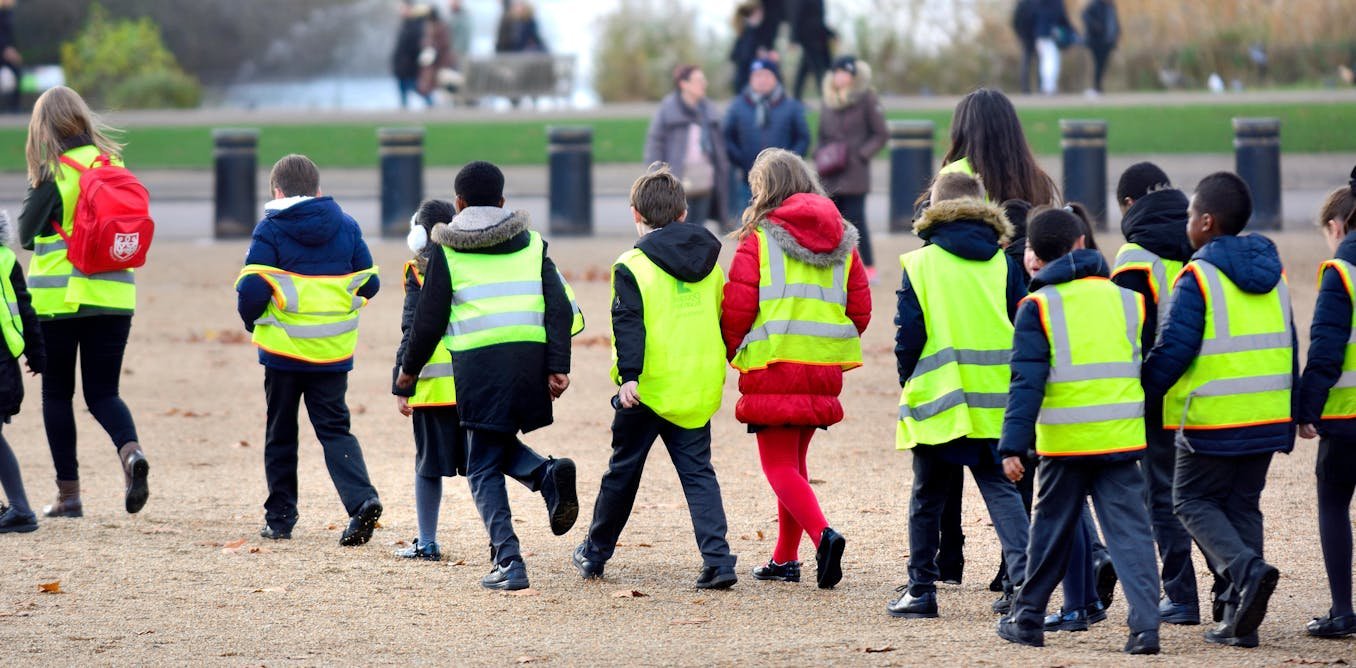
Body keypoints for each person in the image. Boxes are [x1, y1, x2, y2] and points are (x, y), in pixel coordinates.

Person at [397, 161, 578, 591]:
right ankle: (544, 475)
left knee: (480, 467)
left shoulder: (448, 250)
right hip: (529, 366)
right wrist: (558, 365)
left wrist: (407, 373)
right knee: (492, 445)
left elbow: (428, 322)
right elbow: (559, 307)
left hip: (479, 368)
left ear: (458, 204)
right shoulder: (533, 243)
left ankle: (509, 561)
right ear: (502, 202)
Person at [994, 206, 1161, 655]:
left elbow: (1025, 382)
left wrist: (1012, 444)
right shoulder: (1130, 300)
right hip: (1122, 439)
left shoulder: (1038, 306)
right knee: (1131, 535)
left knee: (1049, 533)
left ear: (1035, 255)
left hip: (1065, 444)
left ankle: (1027, 618)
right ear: (1081, 244)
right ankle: (1145, 628)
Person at [1141, 171, 1295, 648]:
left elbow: (1174, 350)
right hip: (1268, 412)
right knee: (1243, 505)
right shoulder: (1277, 273)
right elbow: (1290, 342)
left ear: (1206, 222)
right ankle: (1238, 619)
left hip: (1213, 417)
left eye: (1189, 214)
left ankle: (1247, 573)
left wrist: (1142, 394)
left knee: (1188, 500)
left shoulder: (1200, 275)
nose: (1186, 222)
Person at [573, 164, 736, 589]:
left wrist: (628, 376)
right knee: (699, 472)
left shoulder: (632, 264)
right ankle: (718, 560)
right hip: (696, 383)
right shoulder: (711, 264)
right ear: (683, 213)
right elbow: (722, 319)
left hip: (645, 389)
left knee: (622, 474)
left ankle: (594, 553)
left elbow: (628, 323)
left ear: (635, 214)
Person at [930, 87, 1060, 594]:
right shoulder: (1037, 179)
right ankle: (1015, 558)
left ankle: (949, 553)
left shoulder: (955, 176)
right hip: (1025, 315)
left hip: (964, 320)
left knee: (947, 446)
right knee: (1015, 446)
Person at [721, 148, 870, 589]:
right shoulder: (843, 241)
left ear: (765, 191)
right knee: (795, 464)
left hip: (774, 362)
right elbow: (859, 308)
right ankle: (785, 558)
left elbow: (737, 306)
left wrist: (736, 349)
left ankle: (824, 535)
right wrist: (828, 341)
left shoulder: (760, 239)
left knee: (778, 467)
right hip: (821, 365)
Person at [888, 172, 1031, 619]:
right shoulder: (1004, 263)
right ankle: (1025, 582)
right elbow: (1023, 323)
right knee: (1001, 491)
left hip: (939, 394)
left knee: (928, 496)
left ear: (934, 211)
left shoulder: (921, 263)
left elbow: (909, 334)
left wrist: (908, 377)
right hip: (996, 397)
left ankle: (921, 589)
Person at [236, 154, 383, 545]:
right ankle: (362, 500)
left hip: (283, 352)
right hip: (332, 351)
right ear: (317, 189)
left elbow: (251, 291)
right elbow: (369, 283)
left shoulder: (270, 229)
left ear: (277, 191)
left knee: (281, 431)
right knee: (335, 430)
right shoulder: (347, 226)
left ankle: (280, 518)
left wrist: (253, 320)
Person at [18, 86, 148, 518]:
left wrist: (37, 181)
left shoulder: (56, 173)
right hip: (114, 296)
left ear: (43, 128)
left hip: (60, 302)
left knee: (57, 394)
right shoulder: (114, 165)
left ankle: (69, 496)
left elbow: (25, 234)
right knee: (104, 392)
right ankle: (130, 454)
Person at [1109, 161, 1203, 625]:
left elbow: (1127, 333)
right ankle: (1231, 586)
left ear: (1128, 204)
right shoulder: (1203, 237)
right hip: (1210, 392)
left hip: (1157, 392)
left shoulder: (1133, 257)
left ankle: (1182, 595)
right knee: (1205, 497)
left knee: (1163, 497)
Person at [1296, 167, 1356, 639]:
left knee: (1333, 505)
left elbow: (1327, 347)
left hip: (1348, 417)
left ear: (1338, 226)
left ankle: (1342, 609)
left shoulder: (1343, 269)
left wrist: (1308, 408)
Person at [817, 56, 887, 284]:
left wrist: (861, 154)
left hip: (855, 173)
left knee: (857, 221)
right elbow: (821, 135)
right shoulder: (827, 100)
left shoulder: (867, 98)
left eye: (845, 73)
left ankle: (868, 267)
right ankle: (835, 268)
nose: (840, 77)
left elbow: (880, 134)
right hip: (830, 173)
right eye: (836, 72)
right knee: (831, 222)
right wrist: (821, 155)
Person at [0, 211, 46, 533]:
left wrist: (36, 351)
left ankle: (22, 510)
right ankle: (19, 509)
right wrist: (35, 352)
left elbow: (23, 309)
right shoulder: (6, 260)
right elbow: (24, 308)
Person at [644, 65, 729, 229]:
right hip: (676, 183)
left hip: (706, 181)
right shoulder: (667, 110)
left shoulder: (709, 110)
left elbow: (719, 149)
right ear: (684, 84)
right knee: (676, 229)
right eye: (699, 80)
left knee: (698, 230)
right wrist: (657, 177)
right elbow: (655, 144)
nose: (704, 83)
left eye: (703, 80)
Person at [724, 59, 810, 215]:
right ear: (750, 79)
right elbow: (727, 138)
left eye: (766, 75)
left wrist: (789, 164)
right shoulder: (737, 106)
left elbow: (803, 138)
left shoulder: (791, 106)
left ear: (775, 78)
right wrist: (741, 160)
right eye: (757, 75)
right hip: (748, 181)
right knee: (749, 227)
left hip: (784, 184)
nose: (761, 80)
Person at [788, 0, 832, 101]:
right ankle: (826, 97)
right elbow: (796, 16)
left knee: (804, 69)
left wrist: (831, 33)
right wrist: (793, 39)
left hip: (820, 38)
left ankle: (796, 96)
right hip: (808, 38)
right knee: (818, 69)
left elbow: (820, 21)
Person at [392, 0, 432, 109]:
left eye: (403, 8)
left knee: (420, 90)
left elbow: (417, 48)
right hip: (402, 68)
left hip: (410, 68)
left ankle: (433, 109)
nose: (401, 11)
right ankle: (404, 115)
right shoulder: (405, 24)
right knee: (405, 96)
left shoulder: (415, 26)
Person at [1032, 0, 1074, 95]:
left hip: (1040, 35)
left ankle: (1047, 86)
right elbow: (1062, 17)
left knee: (1046, 61)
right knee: (1051, 61)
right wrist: (1071, 30)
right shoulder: (1056, 3)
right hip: (1049, 35)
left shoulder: (1038, 3)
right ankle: (1049, 87)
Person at [416, 7, 454, 104]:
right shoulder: (432, 28)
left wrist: (432, 50)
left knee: (441, 91)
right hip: (434, 65)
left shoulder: (439, 28)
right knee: (432, 90)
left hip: (440, 65)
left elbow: (443, 45)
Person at [1082, 0, 1119, 94]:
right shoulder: (1095, 4)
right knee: (1098, 64)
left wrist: (1117, 33)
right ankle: (1097, 87)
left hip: (1108, 41)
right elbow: (1084, 15)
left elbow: (1114, 21)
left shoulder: (1111, 6)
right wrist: (1095, 26)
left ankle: (1098, 86)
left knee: (1103, 65)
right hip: (1097, 41)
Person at [730, 2, 766, 97]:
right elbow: (744, 56)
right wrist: (759, 56)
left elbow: (734, 55)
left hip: (742, 78)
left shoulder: (746, 29)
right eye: (760, 13)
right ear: (754, 14)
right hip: (745, 80)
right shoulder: (750, 30)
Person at [1012, 0, 1038, 94]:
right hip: (1027, 38)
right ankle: (1025, 89)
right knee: (1026, 64)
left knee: (1038, 64)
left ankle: (1037, 88)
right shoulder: (1023, 4)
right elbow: (1016, 22)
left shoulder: (1035, 3)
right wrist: (1021, 35)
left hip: (1036, 38)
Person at [0, 0, 21, 114]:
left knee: (17, 74)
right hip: (3, 50)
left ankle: (14, 108)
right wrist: (5, 49)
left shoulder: (10, 13)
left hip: (9, 51)